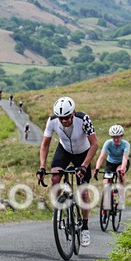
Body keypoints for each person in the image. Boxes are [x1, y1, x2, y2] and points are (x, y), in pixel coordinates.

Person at [38, 96, 98, 246]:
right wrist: (42, 166)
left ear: (73, 113)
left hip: (83, 153)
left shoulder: (83, 119)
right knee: (55, 179)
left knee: (83, 191)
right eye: (61, 118)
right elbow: (45, 145)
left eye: (66, 117)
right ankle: (58, 208)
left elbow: (95, 144)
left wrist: (84, 165)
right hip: (64, 150)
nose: (63, 121)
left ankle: (84, 227)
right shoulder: (52, 121)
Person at [94, 125, 130, 210]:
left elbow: (125, 158)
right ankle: (107, 204)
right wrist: (97, 168)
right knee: (106, 183)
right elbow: (102, 156)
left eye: (118, 137)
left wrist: (122, 169)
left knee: (119, 172)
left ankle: (120, 193)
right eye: (114, 137)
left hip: (122, 163)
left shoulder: (126, 144)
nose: (116, 139)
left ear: (121, 136)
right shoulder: (108, 143)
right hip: (110, 163)